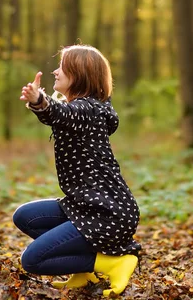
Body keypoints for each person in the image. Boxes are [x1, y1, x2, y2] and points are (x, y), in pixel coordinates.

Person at [13, 44, 141, 297]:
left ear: (79, 74)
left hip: (107, 213)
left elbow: (60, 113)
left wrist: (40, 100)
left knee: (32, 261)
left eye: (62, 67)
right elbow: (63, 115)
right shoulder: (86, 110)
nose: (55, 71)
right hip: (86, 205)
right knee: (26, 216)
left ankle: (112, 263)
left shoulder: (88, 110)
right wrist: (42, 105)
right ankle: (83, 274)